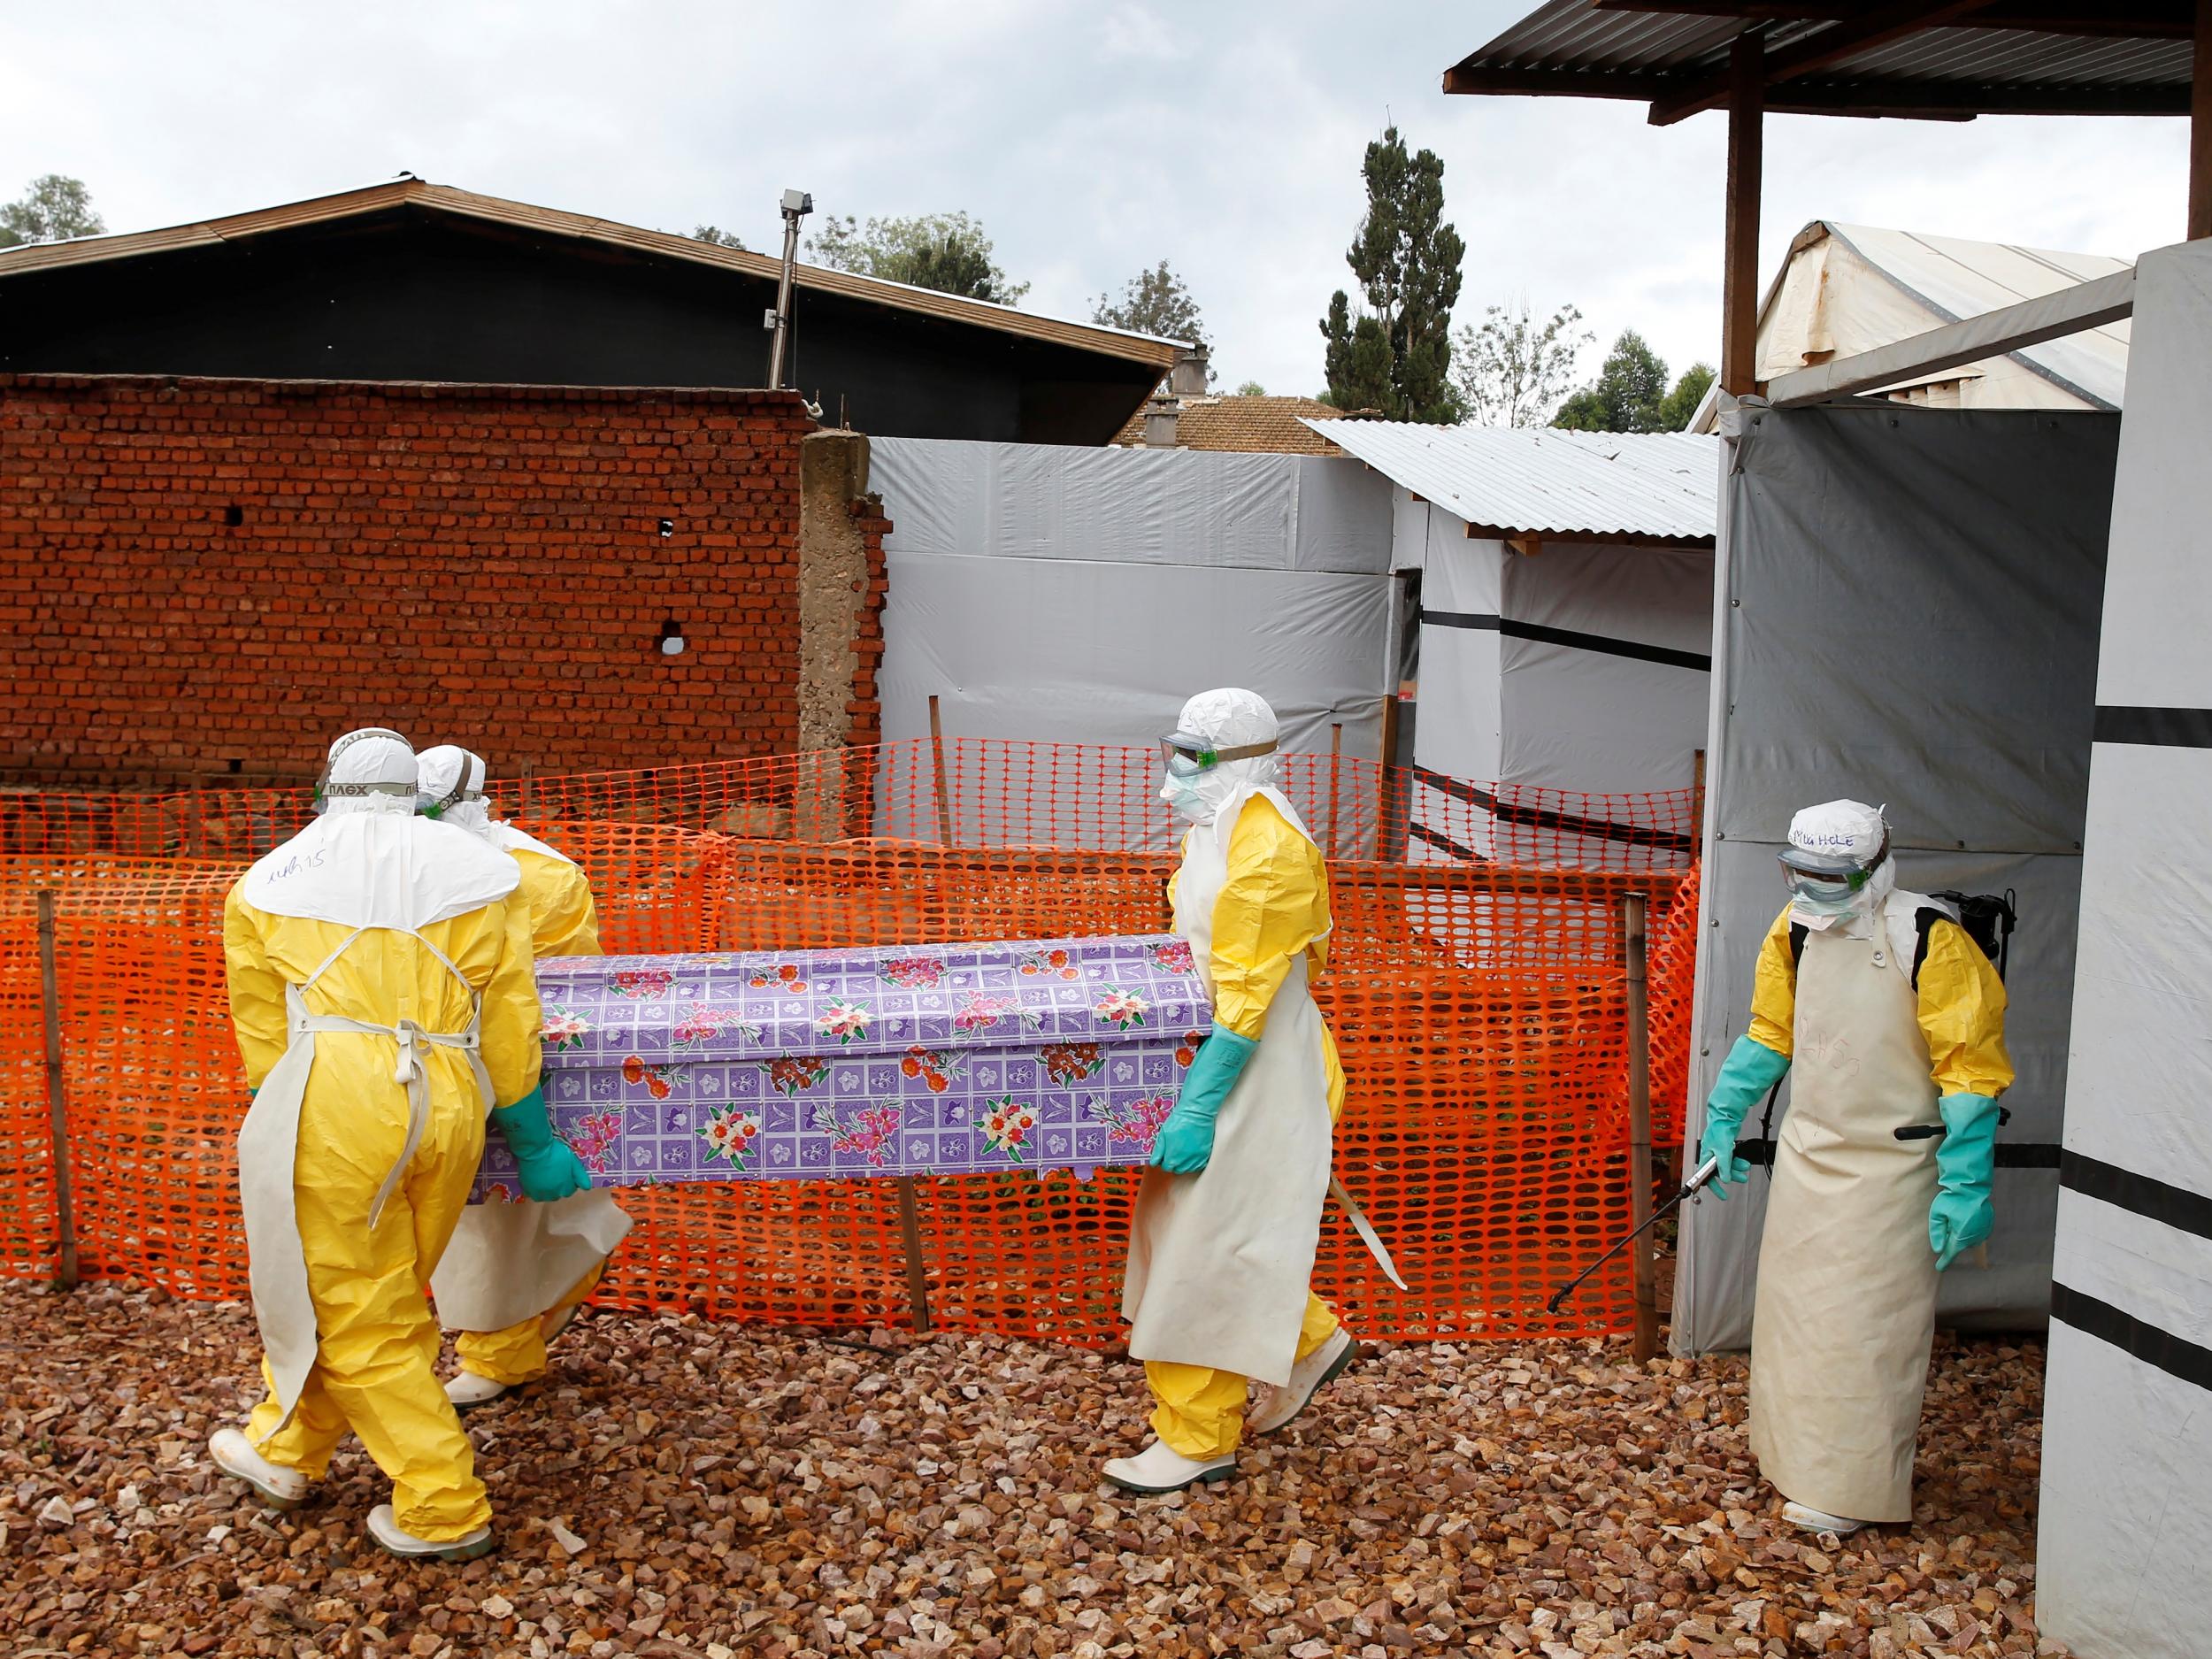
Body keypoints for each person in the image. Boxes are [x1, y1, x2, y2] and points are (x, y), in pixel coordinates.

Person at [208, 727, 591, 1561]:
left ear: (331, 785)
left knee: (349, 1298)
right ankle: (286, 1445)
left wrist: (276, 1121)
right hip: (450, 1093)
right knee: (380, 1294)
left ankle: (441, 1497)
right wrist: (529, 1136)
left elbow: (264, 1029)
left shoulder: (265, 883)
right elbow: (513, 1020)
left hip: (334, 1095)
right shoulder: (489, 878)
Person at [1698, 799, 2011, 1536]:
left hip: (1893, 1167)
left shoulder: (1929, 938)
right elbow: (1773, 1028)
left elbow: (1970, 1069)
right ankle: (1791, 1456)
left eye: (1830, 878)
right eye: (1799, 874)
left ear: (1873, 867)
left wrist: (1966, 1179)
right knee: (1796, 1319)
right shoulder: (1794, 928)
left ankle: (1852, 1487)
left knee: (1868, 1330)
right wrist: (1724, 1110)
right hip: (1812, 1156)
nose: (1812, 890)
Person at [1110, 688, 1369, 1494]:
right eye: (1174, 751)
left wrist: (1197, 1104)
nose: (1172, 780)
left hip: (1258, 1072)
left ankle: (1197, 1437)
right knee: (1204, 1238)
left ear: (1243, 758)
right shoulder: (1216, 826)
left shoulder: (1270, 850)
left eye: (1192, 757)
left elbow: (1248, 994)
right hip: (1227, 1058)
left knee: (1200, 1255)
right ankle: (1307, 1339)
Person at [415, 745, 634, 1408]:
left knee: (500, 1215)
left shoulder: (536, 875)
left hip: (508, 1059)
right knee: (473, 1216)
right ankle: (512, 1326)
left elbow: (565, 993)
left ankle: (501, 1345)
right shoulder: (403, 864)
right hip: (430, 1058)